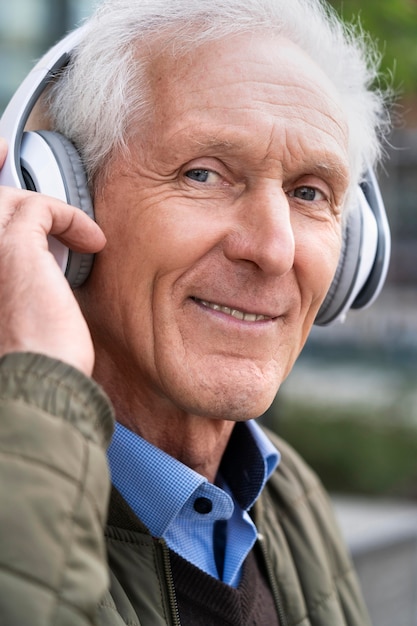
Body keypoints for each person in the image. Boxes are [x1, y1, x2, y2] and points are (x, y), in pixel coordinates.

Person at [0, 0, 390, 624]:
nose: (272, 248)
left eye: (309, 192)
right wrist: (37, 384)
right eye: (203, 175)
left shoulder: (290, 500)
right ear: (57, 200)